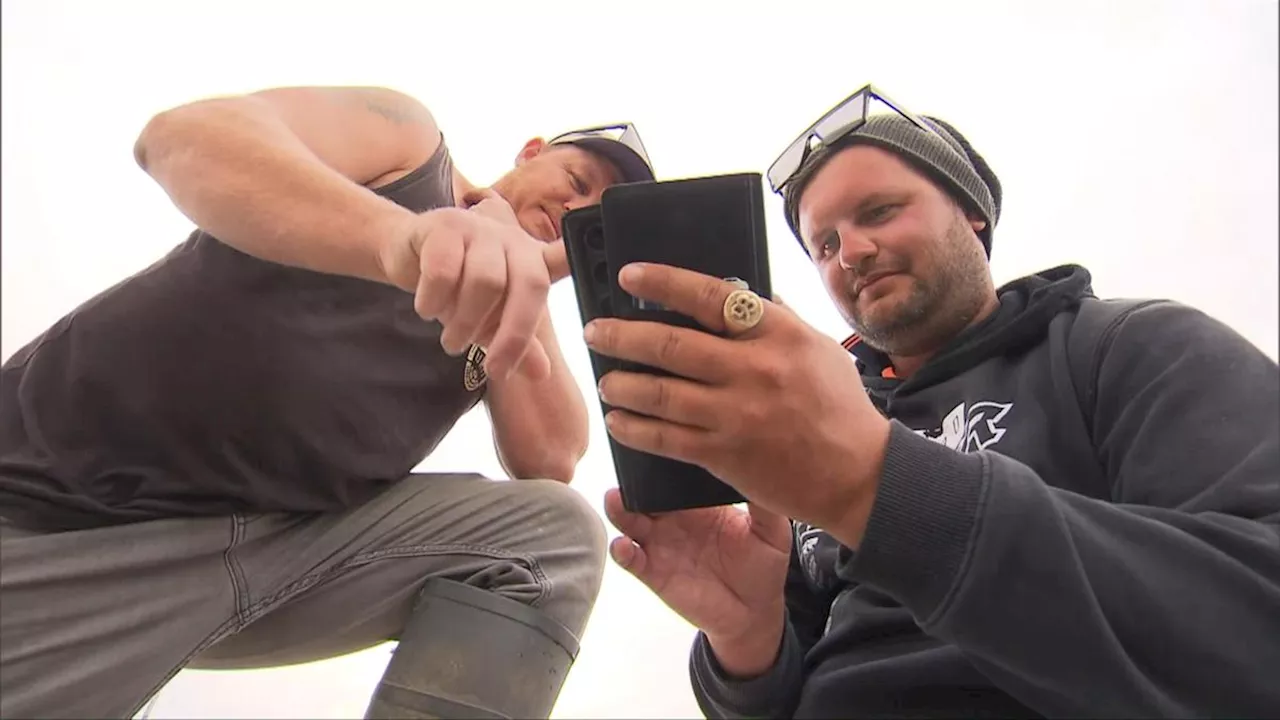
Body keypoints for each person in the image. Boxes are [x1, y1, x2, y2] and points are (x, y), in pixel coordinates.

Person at [586, 83, 1280, 718]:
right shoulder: (810, 445)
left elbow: (1255, 626)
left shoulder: (1128, 346)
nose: (850, 252)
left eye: (879, 212)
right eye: (823, 244)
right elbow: (772, 701)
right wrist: (743, 639)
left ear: (973, 213)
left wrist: (880, 486)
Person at [0, 85, 655, 719]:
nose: (576, 210)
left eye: (593, 220)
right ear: (532, 151)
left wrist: (522, 285)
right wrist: (398, 240)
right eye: (576, 182)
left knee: (555, 538)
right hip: (51, 513)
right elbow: (181, 136)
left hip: (263, 557)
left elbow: (552, 456)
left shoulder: (507, 313)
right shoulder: (411, 144)